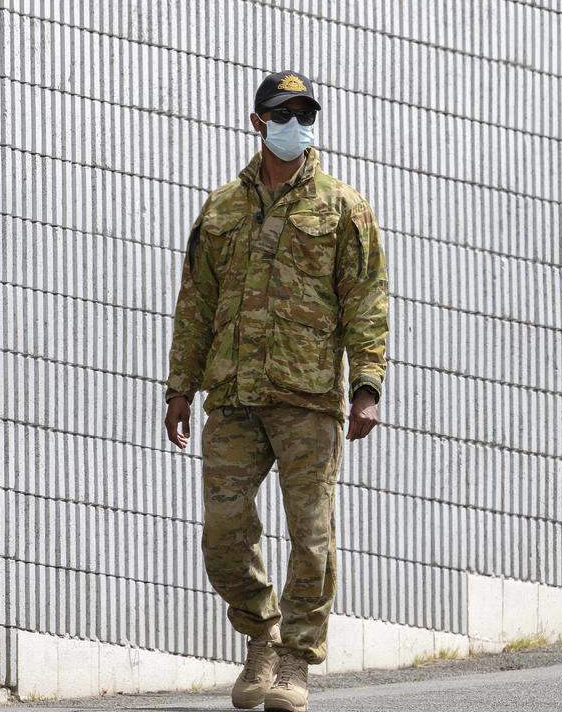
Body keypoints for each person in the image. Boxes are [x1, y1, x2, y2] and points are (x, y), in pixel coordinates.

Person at [163, 70, 389, 711]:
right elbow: (196, 305)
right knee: (224, 532)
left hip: (309, 395)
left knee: (311, 535)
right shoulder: (221, 209)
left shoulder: (343, 207)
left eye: (304, 112)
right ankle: (260, 636)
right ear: (258, 121)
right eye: (283, 113)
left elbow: (366, 301)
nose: (296, 124)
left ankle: (294, 661)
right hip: (232, 394)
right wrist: (180, 386)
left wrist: (367, 385)